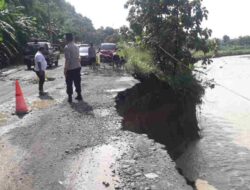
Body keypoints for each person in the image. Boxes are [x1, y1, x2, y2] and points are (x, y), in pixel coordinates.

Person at [64, 33, 82, 103]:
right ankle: (79, 95)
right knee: (77, 82)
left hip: (70, 68)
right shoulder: (76, 46)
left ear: (66, 39)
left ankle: (70, 97)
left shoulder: (67, 47)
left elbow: (67, 60)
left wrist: (65, 70)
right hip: (77, 67)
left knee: (69, 83)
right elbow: (79, 57)